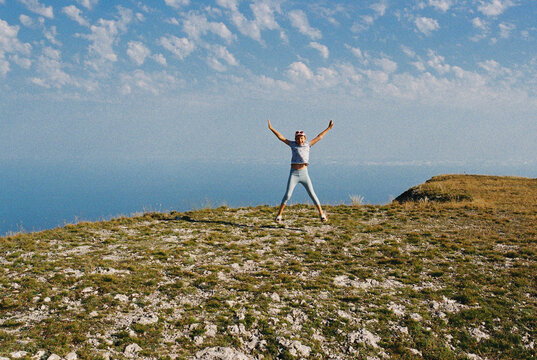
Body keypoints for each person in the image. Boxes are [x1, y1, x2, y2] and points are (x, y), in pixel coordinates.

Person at [268, 119, 334, 223]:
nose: (300, 140)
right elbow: (281, 138)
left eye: (302, 138)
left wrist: (329, 128)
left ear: (305, 138)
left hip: (304, 173)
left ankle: (321, 214)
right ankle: (279, 215)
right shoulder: (292, 144)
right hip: (294, 174)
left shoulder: (308, 144)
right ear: (295, 139)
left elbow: (319, 137)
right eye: (298, 138)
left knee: (312, 194)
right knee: (288, 195)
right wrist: (271, 128)